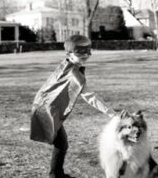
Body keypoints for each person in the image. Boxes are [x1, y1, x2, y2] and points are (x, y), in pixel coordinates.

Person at [30, 35, 115, 178]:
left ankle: (56, 173)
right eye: (80, 53)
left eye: (87, 52)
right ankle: (55, 175)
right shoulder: (73, 73)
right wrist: (111, 113)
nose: (85, 55)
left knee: (62, 144)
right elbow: (89, 97)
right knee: (61, 144)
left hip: (47, 107)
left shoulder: (69, 65)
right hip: (46, 109)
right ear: (69, 54)